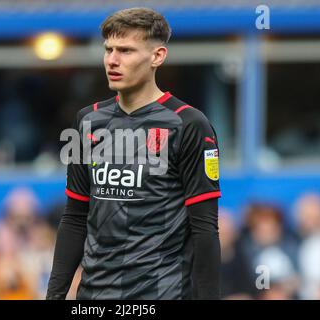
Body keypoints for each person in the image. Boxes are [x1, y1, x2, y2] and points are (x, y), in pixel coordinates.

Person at [47, 7, 221, 300]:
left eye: (126, 50)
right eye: (108, 50)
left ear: (157, 56)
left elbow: (204, 228)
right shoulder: (87, 121)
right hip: (94, 298)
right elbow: (75, 218)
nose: (112, 60)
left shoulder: (189, 123)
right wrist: (54, 296)